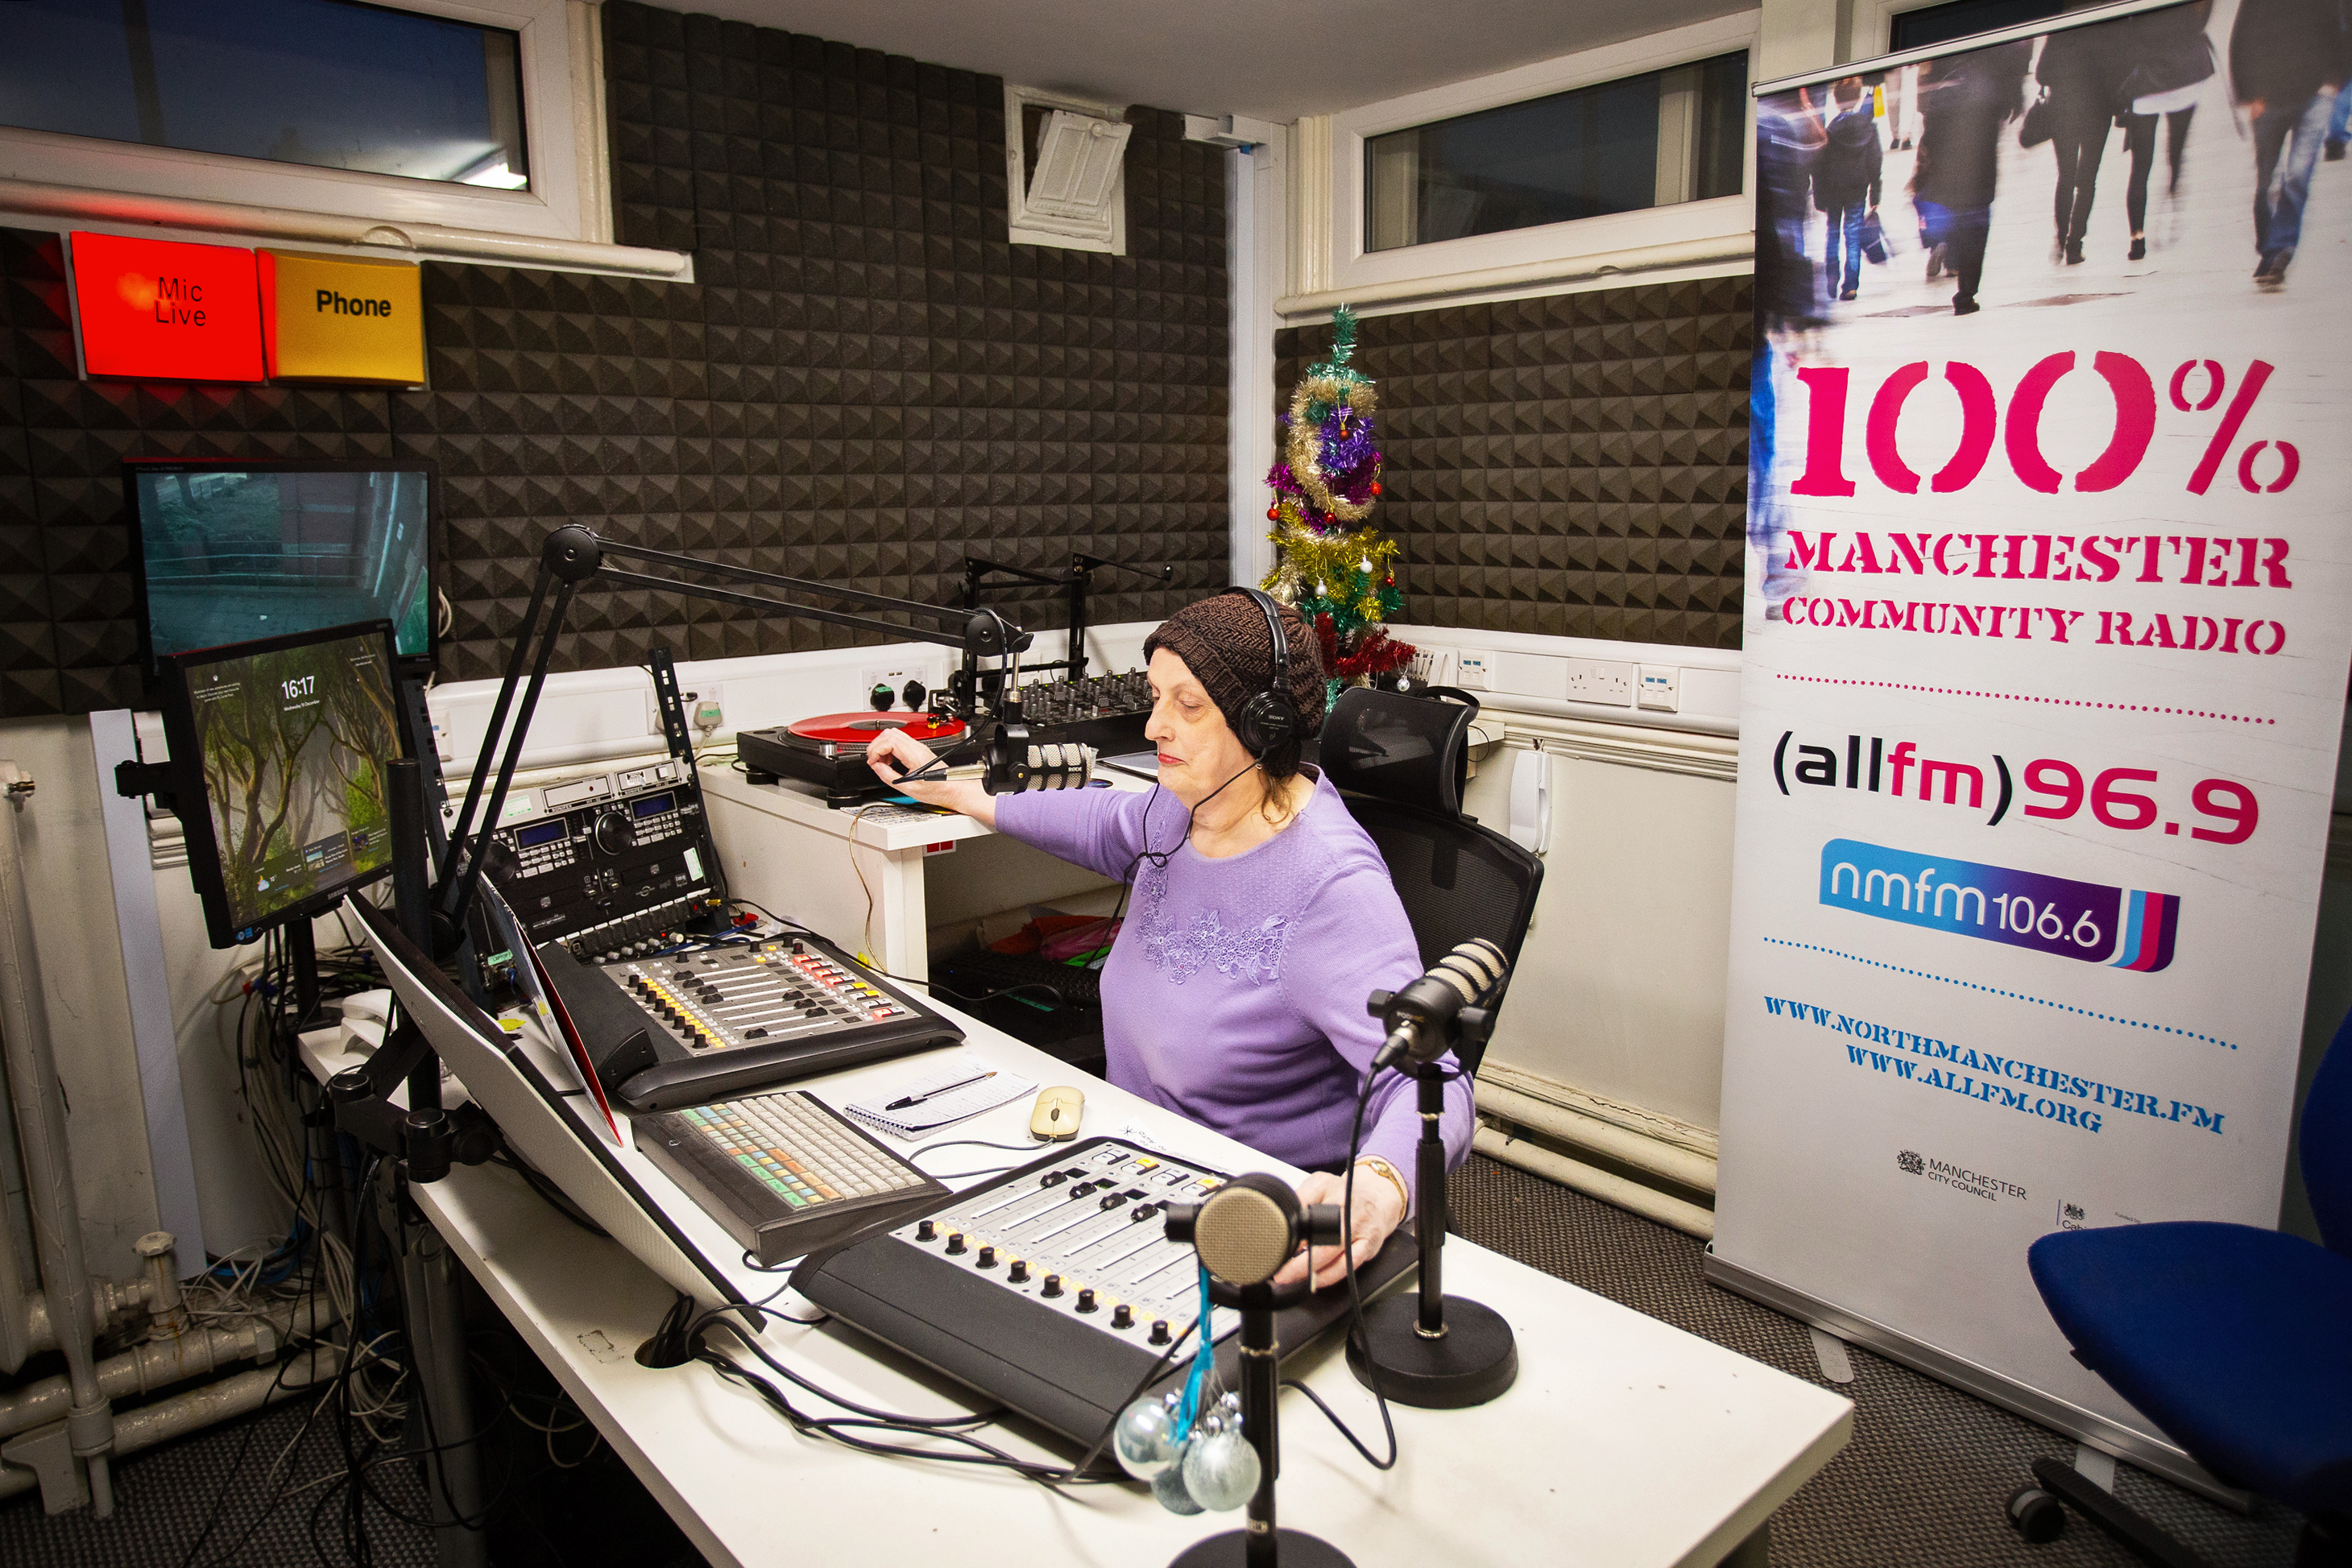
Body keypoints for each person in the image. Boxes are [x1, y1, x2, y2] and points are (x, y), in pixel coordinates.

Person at [863, 592, 1474, 1290]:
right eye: (1156, 695)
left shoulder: (1332, 886)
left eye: (1188, 705)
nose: (1156, 724)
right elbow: (1101, 820)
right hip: (1142, 1170)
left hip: (1253, 1222)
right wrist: (960, 792)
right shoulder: (1181, 810)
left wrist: (1375, 1189)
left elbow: (1437, 1080)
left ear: (1263, 726)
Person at [2231, 0, 2352, 287]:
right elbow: (2240, 42)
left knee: (2298, 174)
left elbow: (2341, 29)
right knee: (2265, 183)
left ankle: (2280, 247)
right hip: (2268, 100)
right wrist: (2250, 94)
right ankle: (2269, 247)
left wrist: (2337, 80)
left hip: (2314, 96)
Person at [1913, 41, 2033, 314]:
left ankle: (1945, 245)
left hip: (1947, 173)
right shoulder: (1990, 95)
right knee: (1976, 233)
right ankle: (1966, 295)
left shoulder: (1944, 91)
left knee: (1953, 217)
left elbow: (1930, 133)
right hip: (1980, 175)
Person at [2114, 2, 2213, 259]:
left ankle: (2137, 238)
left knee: (2140, 166)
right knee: (2177, 148)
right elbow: (2202, 16)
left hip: (2147, 82)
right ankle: (2173, 189)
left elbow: (2125, 32)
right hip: (2186, 77)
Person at [2037, 23, 2133, 265]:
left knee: (2066, 177)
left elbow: (2042, 73)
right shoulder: (2108, 28)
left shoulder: (2061, 30)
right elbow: (2120, 74)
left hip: (2063, 112)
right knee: (2087, 180)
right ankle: (2074, 245)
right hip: (2097, 114)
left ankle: (2060, 237)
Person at [1812, 79, 1883, 302]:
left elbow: (1820, 165)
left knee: (1832, 234)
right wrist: (1875, 193)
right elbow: (1875, 161)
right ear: (1857, 96)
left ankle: (1832, 278)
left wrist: (1819, 195)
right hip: (1857, 190)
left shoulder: (1830, 131)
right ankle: (1851, 286)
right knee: (1853, 235)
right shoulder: (1868, 127)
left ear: (1836, 99)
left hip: (1834, 190)